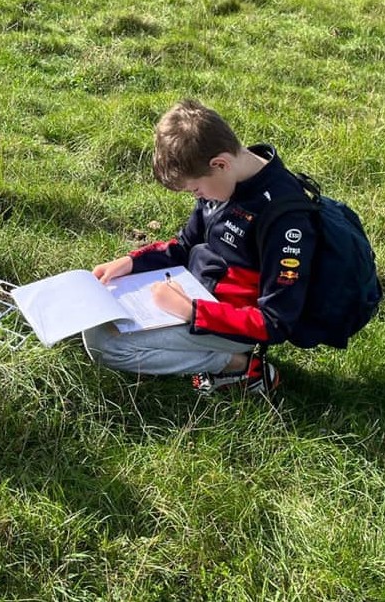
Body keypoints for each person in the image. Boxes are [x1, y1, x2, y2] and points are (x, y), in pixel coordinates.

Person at [84, 99, 318, 394]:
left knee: (104, 345)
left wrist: (191, 312)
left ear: (220, 164)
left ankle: (238, 367)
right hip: (192, 294)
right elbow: (185, 246)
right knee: (96, 317)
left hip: (227, 322)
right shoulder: (225, 181)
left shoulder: (285, 219)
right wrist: (132, 262)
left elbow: (275, 321)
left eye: (196, 189)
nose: (198, 197)